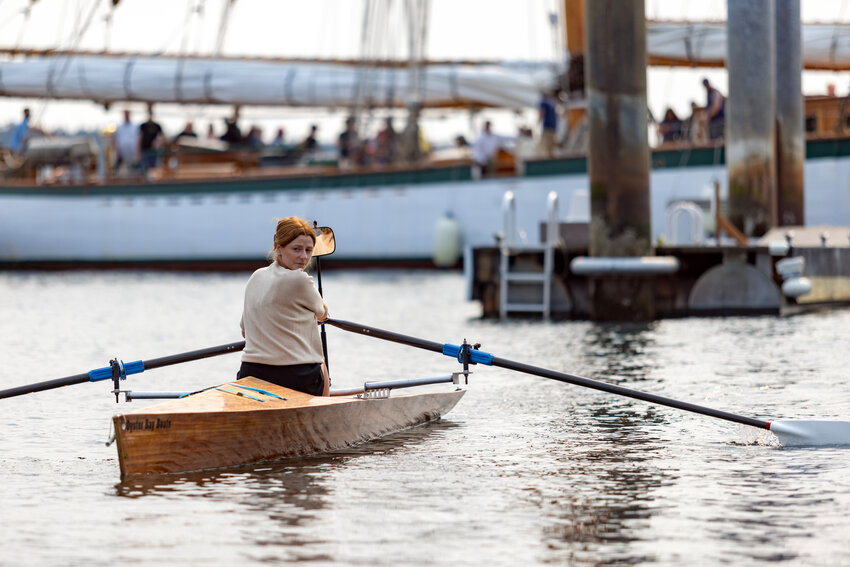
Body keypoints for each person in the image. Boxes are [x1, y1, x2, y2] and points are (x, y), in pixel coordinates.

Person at [238, 217, 330, 396]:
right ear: (278, 248)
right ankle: (324, 408)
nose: (304, 257)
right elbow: (323, 313)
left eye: (308, 250)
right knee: (320, 360)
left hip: (249, 373)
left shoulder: (256, 276)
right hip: (295, 377)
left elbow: (244, 330)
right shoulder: (299, 279)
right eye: (296, 249)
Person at [139, 104, 164, 169]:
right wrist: (138, 152)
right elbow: (139, 138)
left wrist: (157, 142)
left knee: (153, 168)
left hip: (154, 152)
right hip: (144, 151)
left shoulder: (157, 126)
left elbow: (162, 137)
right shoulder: (143, 126)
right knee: (144, 168)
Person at [537, 92, 558, 157]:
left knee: (546, 144)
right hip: (553, 126)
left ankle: (547, 157)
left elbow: (542, 112)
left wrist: (538, 123)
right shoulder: (552, 103)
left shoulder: (544, 103)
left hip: (547, 126)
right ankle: (551, 156)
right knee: (551, 144)